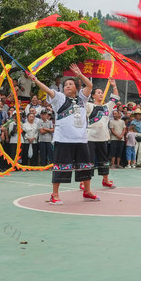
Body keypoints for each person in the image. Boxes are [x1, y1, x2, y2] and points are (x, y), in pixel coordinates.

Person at [32, 64, 99, 204]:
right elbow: (49, 91)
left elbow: (90, 85)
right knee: (60, 166)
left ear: (77, 87)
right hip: (63, 139)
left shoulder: (82, 99)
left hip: (81, 139)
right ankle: (54, 195)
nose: (67, 86)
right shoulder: (60, 98)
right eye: (66, 85)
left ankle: (87, 192)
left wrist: (79, 74)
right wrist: (36, 80)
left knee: (85, 166)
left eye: (70, 84)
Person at [87, 79, 120, 188]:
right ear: (93, 96)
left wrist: (114, 86)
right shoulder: (88, 106)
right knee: (89, 161)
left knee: (104, 160)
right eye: (98, 93)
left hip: (103, 138)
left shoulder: (107, 107)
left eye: (102, 93)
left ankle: (105, 180)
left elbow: (115, 98)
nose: (100, 94)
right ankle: (84, 183)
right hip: (90, 138)